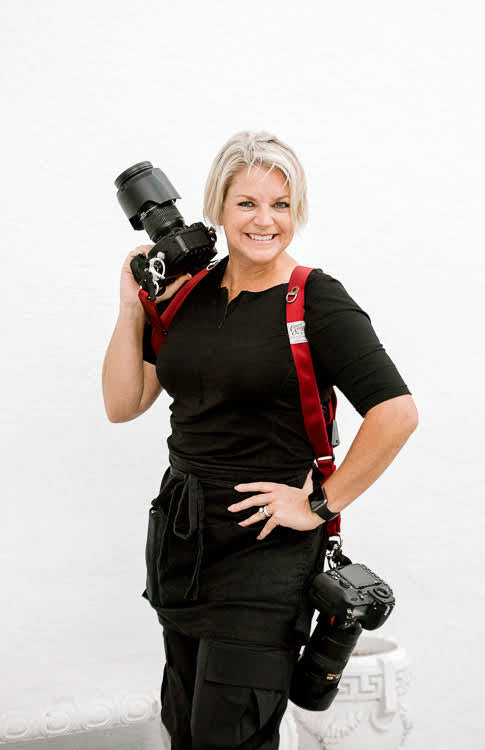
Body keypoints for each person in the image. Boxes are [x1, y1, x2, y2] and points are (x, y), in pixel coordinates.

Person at [102, 130, 418, 750]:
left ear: (296, 211)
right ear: (217, 207)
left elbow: (396, 413)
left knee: (231, 737)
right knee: (185, 730)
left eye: (281, 204)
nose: (265, 220)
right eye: (247, 203)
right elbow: (123, 403)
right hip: (182, 544)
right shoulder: (188, 293)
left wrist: (320, 504)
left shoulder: (316, 299)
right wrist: (131, 306)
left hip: (264, 553)